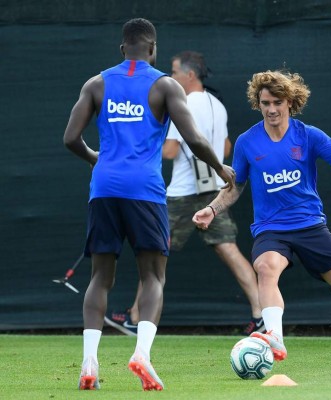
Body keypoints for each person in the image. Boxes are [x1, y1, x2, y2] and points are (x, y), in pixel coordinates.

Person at [63, 18, 235, 391]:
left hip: (104, 189)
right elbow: (193, 139)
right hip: (145, 191)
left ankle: (89, 361)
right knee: (153, 276)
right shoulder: (165, 85)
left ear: (122, 48)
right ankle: (141, 354)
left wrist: (97, 159)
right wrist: (221, 168)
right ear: (153, 49)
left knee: (100, 277)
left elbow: (70, 138)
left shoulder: (97, 83)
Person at [192, 70, 331, 369]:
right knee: (265, 266)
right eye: (265, 103)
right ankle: (274, 335)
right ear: (258, 104)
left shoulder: (309, 135)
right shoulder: (247, 142)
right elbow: (235, 187)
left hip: (311, 225)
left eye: (277, 102)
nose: (271, 109)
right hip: (271, 229)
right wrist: (212, 209)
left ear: (290, 102)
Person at [104, 51, 264, 337]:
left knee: (153, 252)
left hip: (181, 195)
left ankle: (135, 317)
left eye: (175, 71)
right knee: (228, 247)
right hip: (216, 192)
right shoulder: (217, 104)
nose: (170, 75)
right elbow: (225, 148)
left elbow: (170, 150)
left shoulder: (184, 102)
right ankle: (260, 313)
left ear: (190, 75)